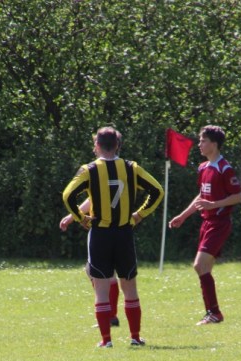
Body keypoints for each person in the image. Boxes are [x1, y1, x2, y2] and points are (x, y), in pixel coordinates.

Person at [62, 126, 164, 347]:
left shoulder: (89, 170)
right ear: (117, 145)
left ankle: (106, 340)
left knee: (101, 290)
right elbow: (158, 190)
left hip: (100, 234)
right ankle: (135, 337)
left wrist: (80, 217)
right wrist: (139, 214)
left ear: (96, 146)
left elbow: (67, 195)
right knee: (130, 288)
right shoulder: (131, 168)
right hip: (124, 233)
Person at [168, 125, 241, 325]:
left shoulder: (224, 168)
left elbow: (237, 196)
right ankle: (212, 313)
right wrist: (183, 216)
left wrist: (214, 204)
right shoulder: (203, 167)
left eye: (203, 141)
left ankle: (214, 313)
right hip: (207, 223)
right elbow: (201, 196)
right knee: (205, 269)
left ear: (214, 144)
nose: (199, 144)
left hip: (219, 223)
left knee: (199, 265)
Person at [59, 198, 120, 327]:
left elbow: (98, 199)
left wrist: (77, 217)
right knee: (98, 272)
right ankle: (110, 316)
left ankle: (109, 316)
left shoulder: (107, 184)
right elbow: (93, 198)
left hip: (104, 230)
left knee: (102, 274)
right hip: (115, 229)